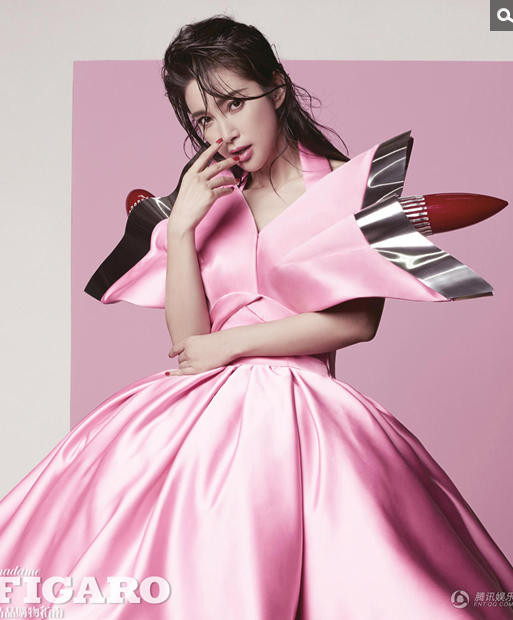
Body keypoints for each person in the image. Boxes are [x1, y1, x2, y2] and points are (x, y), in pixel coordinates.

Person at [1, 14, 512, 620]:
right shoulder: (208, 200)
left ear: (277, 88)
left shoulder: (347, 187)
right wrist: (182, 228)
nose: (222, 132)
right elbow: (189, 341)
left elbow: (356, 323)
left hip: (303, 413)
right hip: (193, 417)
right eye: (203, 119)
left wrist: (233, 345)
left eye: (234, 103)